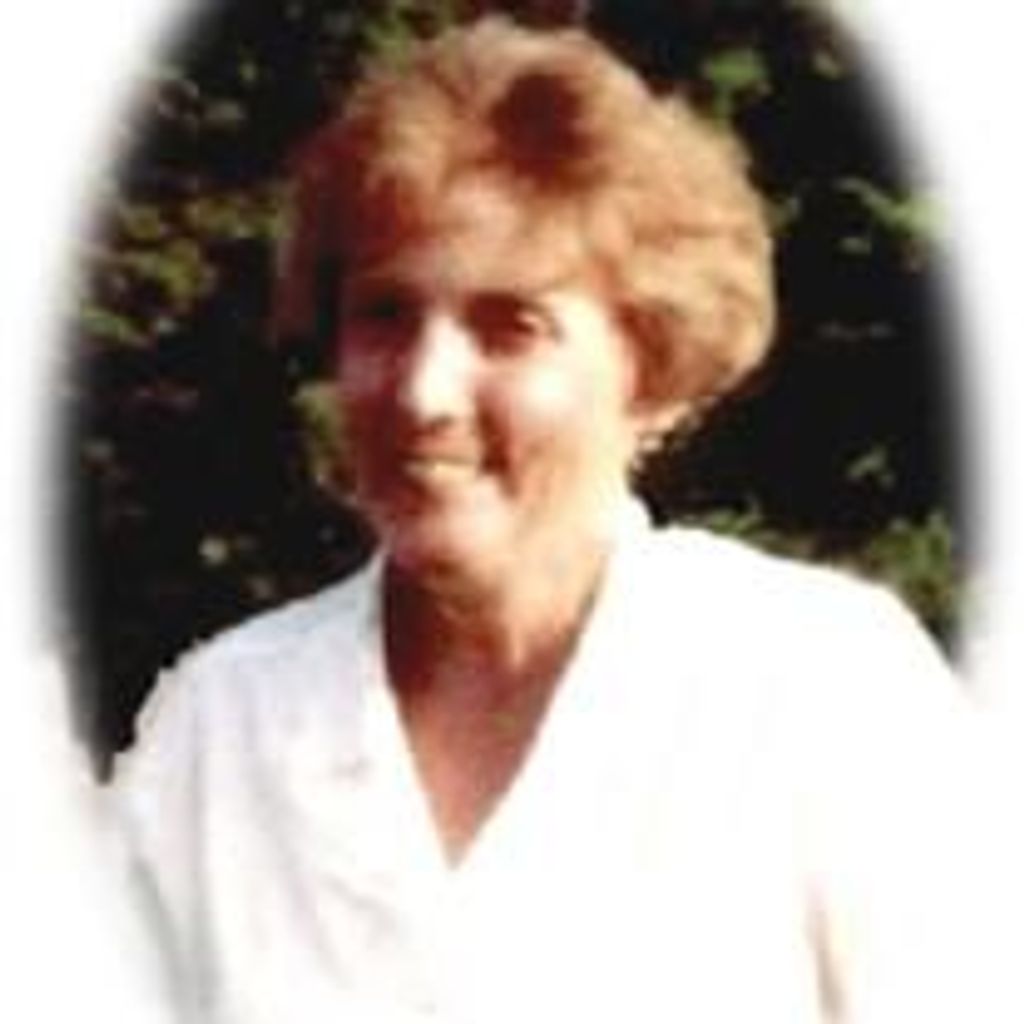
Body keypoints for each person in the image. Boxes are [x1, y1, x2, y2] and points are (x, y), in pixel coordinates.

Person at [110, 16, 1016, 1024]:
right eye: (385, 314)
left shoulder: (816, 687)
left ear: (650, 368)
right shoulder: (221, 728)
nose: (424, 392)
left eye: (511, 326)